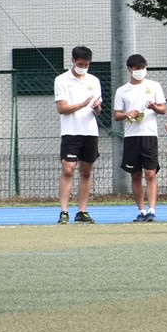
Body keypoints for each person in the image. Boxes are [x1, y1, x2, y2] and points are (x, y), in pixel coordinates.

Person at [113, 54, 167, 222]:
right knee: (135, 175)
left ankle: (152, 209)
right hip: (131, 136)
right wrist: (128, 114)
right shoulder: (122, 90)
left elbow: (163, 109)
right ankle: (141, 211)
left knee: (150, 173)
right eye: (136, 69)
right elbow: (116, 115)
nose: (140, 71)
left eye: (142, 68)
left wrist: (154, 107)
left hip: (149, 135)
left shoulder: (154, 85)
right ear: (130, 69)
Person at [55, 46, 102, 224]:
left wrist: (96, 107)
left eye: (87, 64)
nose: (84, 67)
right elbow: (61, 108)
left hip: (90, 131)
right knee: (68, 169)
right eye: (80, 64)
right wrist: (82, 104)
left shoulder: (94, 81)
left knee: (86, 171)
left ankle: (82, 211)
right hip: (70, 132)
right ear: (73, 61)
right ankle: (64, 211)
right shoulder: (61, 80)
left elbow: (98, 111)